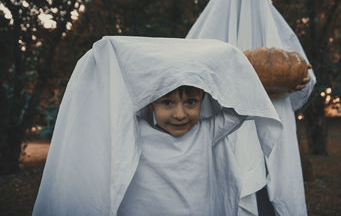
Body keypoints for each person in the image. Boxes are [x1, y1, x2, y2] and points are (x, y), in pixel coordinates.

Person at [33, 36, 282, 215]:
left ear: (203, 100)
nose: (180, 113)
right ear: (151, 104)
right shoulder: (135, 132)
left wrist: (225, 60)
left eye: (191, 102)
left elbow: (239, 110)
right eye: (168, 103)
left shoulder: (206, 132)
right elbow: (110, 106)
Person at [186, 0, 317, 215]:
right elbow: (188, 82)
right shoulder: (207, 37)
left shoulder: (278, 36)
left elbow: (305, 77)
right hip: (227, 130)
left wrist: (293, 81)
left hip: (271, 124)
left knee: (269, 189)